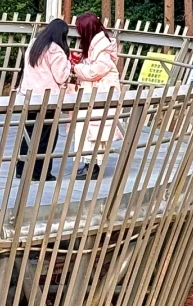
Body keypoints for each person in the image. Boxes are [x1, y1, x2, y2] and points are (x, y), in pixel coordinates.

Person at [16, 18, 71, 180]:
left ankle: (22, 169)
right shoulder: (55, 51)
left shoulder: (34, 44)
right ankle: (40, 172)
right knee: (47, 137)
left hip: (29, 96)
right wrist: (69, 63)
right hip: (47, 100)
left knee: (29, 134)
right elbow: (61, 76)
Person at [70, 12, 122, 177]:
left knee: (94, 133)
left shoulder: (103, 51)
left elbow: (93, 72)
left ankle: (93, 166)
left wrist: (76, 68)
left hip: (100, 97)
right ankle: (89, 164)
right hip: (94, 96)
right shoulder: (98, 47)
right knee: (88, 131)